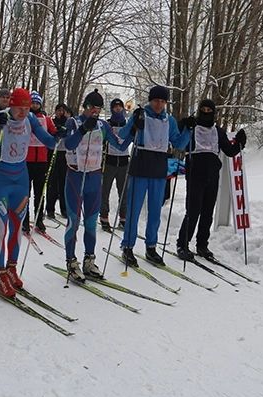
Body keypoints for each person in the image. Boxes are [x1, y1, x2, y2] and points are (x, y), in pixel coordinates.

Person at [0, 88, 61, 298]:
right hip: (0, 180)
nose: (22, 112)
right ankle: (0, 272)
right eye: (18, 108)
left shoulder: (31, 119)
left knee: (16, 227)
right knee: (1, 229)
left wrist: (59, 134)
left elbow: (49, 141)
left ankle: (11, 268)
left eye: (26, 108)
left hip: (20, 180)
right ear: (10, 105)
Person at [116, 85, 190, 267]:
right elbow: (122, 135)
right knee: (134, 209)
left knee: (155, 211)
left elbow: (179, 143)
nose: (159, 104)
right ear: (151, 100)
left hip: (158, 167)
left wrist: (189, 129)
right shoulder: (140, 114)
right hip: (140, 165)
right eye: (157, 100)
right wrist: (134, 125)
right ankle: (127, 246)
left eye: (163, 101)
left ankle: (151, 246)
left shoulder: (169, 120)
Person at [63, 89, 131, 282]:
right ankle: (71, 261)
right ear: (85, 106)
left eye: (99, 108)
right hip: (75, 178)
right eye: (92, 107)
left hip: (94, 177)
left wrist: (135, 129)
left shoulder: (102, 125)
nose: (95, 111)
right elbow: (68, 144)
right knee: (73, 222)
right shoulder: (73, 122)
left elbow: (119, 145)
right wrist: (84, 128)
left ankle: (89, 260)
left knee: (91, 223)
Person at [176, 99, 246, 260]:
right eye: (203, 109)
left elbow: (229, 151)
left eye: (209, 110)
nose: (206, 113)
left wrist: (240, 143)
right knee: (193, 211)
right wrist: (184, 123)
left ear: (213, 113)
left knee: (207, 212)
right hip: (195, 173)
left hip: (212, 174)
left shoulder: (219, 132)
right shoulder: (193, 128)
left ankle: (202, 245)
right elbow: (178, 137)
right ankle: (182, 243)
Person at [23, 91, 57, 233]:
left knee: (39, 192)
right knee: (26, 192)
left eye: (37, 103)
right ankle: (24, 219)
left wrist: (58, 132)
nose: (35, 105)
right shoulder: (25, 117)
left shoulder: (45, 118)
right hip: (26, 160)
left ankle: (38, 219)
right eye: (33, 103)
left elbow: (53, 131)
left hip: (42, 160)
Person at [99, 98, 130, 233]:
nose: (118, 109)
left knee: (123, 191)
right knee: (105, 190)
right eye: (115, 107)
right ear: (111, 109)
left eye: (120, 107)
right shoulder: (108, 123)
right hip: (110, 161)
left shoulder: (127, 123)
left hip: (123, 161)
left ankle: (123, 218)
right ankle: (104, 217)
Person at [46, 104, 70, 220]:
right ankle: (50, 208)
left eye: (63, 111)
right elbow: (48, 133)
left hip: (64, 153)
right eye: (59, 110)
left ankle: (64, 208)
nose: (61, 113)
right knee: (52, 182)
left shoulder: (69, 122)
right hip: (53, 152)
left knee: (64, 182)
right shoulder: (52, 121)